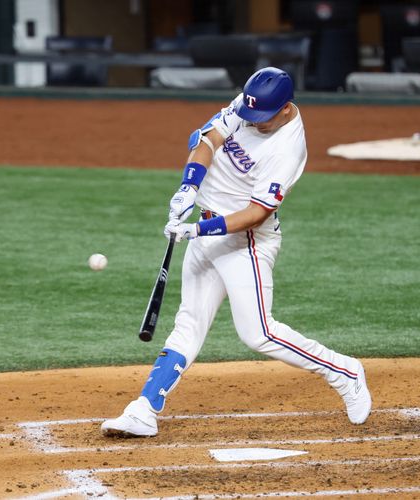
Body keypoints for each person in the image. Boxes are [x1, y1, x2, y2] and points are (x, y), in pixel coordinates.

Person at [101, 67, 372, 437]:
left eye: (263, 118)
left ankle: (344, 371)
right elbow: (208, 138)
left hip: (245, 240)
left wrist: (197, 228)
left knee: (258, 332)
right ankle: (144, 409)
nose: (254, 122)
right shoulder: (251, 103)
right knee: (188, 325)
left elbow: (255, 214)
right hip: (206, 230)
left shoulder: (288, 149)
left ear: (286, 109)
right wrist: (188, 189)